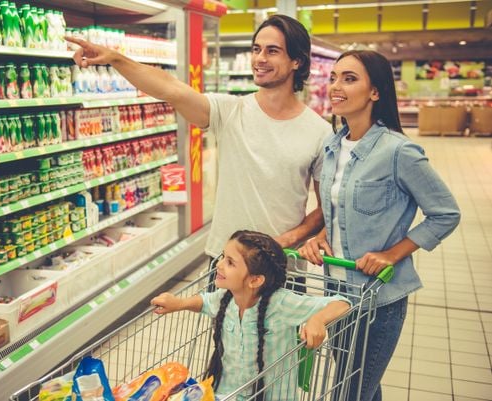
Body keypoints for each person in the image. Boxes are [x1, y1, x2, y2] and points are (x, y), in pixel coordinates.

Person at [65, 15, 331, 266]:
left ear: (297, 61)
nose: (259, 58)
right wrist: (115, 59)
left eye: (272, 51)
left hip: (282, 262)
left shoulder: (319, 131)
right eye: (256, 49)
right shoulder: (230, 111)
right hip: (226, 261)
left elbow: (324, 209)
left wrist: (285, 241)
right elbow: (171, 88)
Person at [298, 50, 461, 401]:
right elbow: (337, 211)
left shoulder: (398, 151)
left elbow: (446, 212)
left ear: (376, 92)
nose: (337, 86)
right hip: (335, 291)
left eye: (350, 78)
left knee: (350, 392)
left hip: (378, 300)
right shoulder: (330, 145)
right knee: (361, 387)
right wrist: (320, 237)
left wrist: (392, 253)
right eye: (335, 77)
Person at [151, 230, 350, 400]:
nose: (219, 265)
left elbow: (342, 303)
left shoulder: (281, 303)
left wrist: (317, 320)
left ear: (255, 280)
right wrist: (178, 303)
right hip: (228, 393)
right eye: (222, 256)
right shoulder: (225, 298)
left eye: (230, 262)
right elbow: (204, 301)